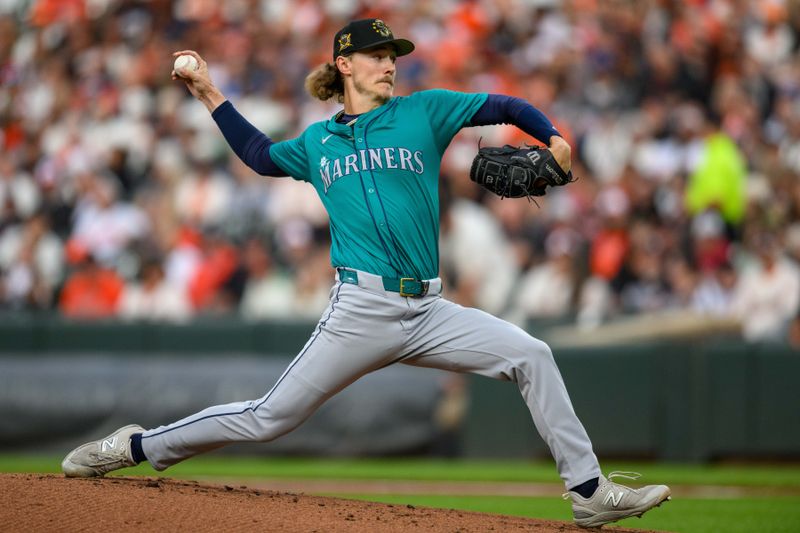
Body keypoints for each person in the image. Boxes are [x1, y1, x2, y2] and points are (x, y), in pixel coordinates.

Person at [61, 19, 670, 528]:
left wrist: (555, 137)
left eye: (393, 55)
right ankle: (136, 445)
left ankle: (588, 494)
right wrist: (208, 90)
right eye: (377, 55)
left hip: (430, 309)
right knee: (271, 417)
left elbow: (504, 105)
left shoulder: (424, 112)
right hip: (360, 310)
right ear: (344, 65)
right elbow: (257, 154)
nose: (390, 64)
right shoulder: (317, 143)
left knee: (532, 354)